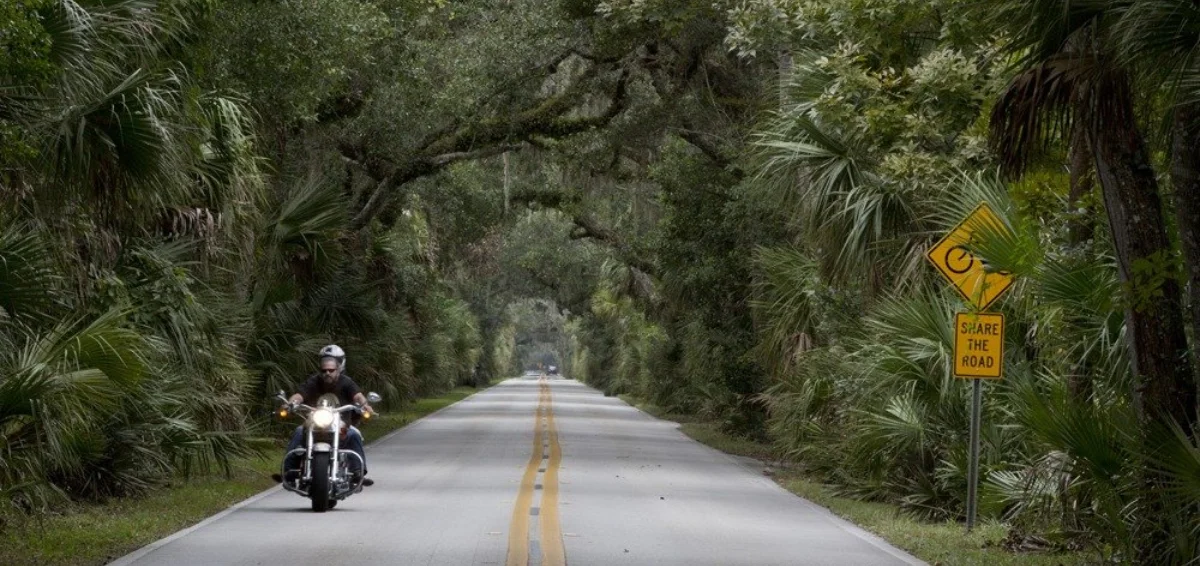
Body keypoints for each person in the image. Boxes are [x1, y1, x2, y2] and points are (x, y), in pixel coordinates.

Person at [272, 345, 375, 487]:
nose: (327, 373)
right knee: (298, 432)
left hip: (341, 424)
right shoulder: (314, 381)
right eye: (324, 370)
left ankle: (358, 473)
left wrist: (366, 406)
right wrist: (290, 404)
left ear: (339, 368)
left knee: (355, 434)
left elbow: (358, 396)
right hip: (315, 423)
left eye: (331, 370)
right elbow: (299, 395)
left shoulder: (346, 382)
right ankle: (288, 472)